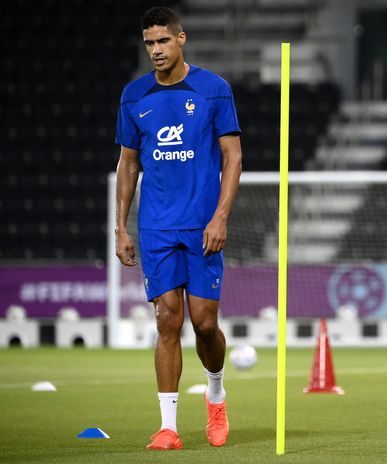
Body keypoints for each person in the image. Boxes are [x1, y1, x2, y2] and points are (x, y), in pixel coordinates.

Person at [114, 6, 242, 450]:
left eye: (162, 41)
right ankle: (168, 427)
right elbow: (128, 165)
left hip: (202, 225)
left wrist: (221, 216)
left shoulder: (213, 90)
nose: (155, 50)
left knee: (205, 324)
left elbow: (234, 157)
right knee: (167, 319)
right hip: (157, 228)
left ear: (181, 39)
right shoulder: (134, 96)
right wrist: (121, 227)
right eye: (149, 43)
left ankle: (216, 393)